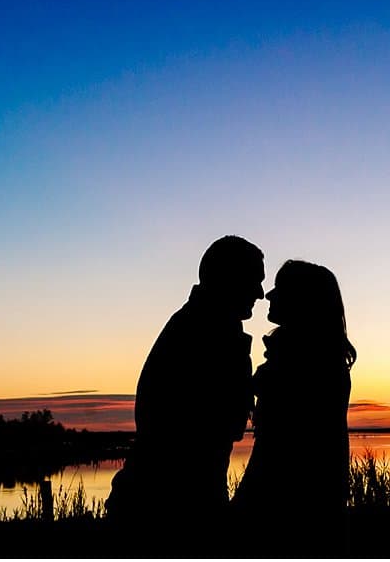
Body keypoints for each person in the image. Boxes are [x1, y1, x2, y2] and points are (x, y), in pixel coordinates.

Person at [106, 235, 265, 553]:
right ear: (228, 278)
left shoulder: (202, 326)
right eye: (254, 281)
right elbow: (220, 423)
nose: (260, 294)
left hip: (164, 505)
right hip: (170, 514)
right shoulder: (204, 334)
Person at [231, 260, 355, 557]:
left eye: (280, 289)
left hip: (291, 498)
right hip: (306, 494)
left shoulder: (305, 363)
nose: (269, 296)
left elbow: (284, 447)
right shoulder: (306, 357)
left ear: (303, 301)